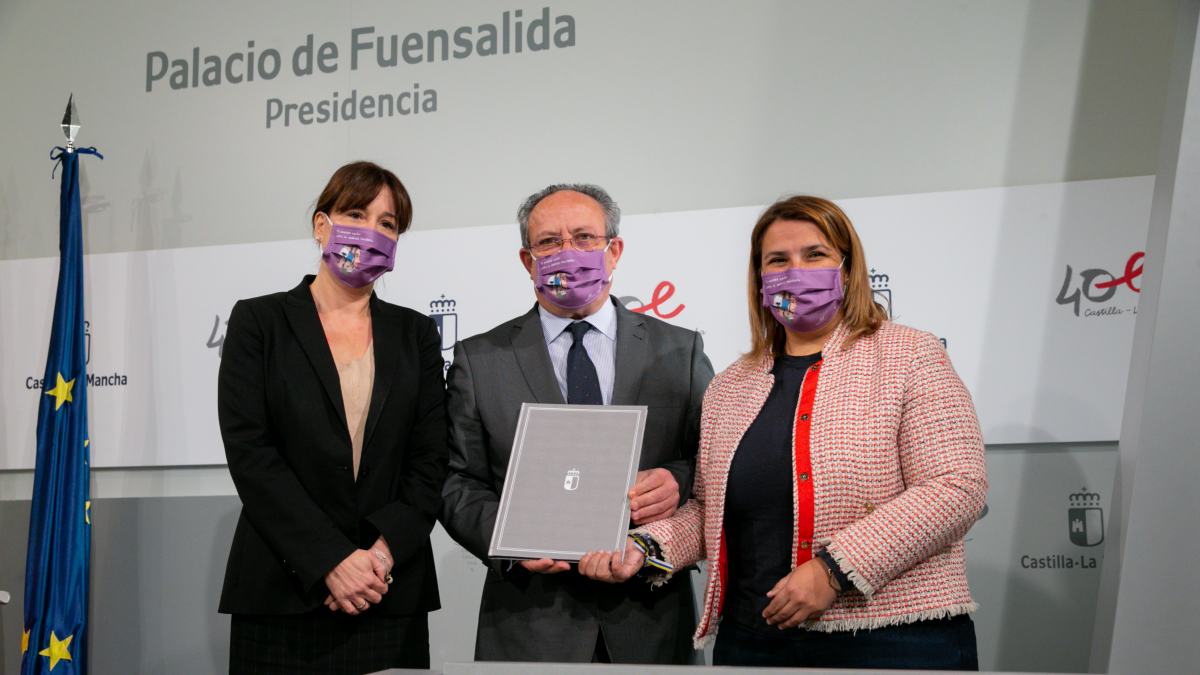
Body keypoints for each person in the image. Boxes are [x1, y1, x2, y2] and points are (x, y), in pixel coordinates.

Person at [580, 195, 987, 670]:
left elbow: (957, 487)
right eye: (778, 260)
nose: (796, 271)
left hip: (894, 640)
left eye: (814, 255)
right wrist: (646, 549)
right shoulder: (731, 386)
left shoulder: (910, 355)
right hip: (753, 642)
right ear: (760, 281)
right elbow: (711, 513)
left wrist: (835, 571)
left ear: (849, 269)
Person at [439, 183, 714, 663]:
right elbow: (454, 479)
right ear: (527, 261)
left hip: (649, 619)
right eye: (549, 242)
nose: (568, 252)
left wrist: (678, 479)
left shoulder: (680, 351)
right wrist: (508, 540)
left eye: (585, 237)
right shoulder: (480, 359)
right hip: (529, 621)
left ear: (615, 250)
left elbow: (714, 461)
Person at [217, 161, 448, 673]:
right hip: (284, 591)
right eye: (356, 213)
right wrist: (330, 560)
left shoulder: (416, 335)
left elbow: (431, 460)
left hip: (385, 592)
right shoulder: (260, 322)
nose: (371, 231)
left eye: (387, 224)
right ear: (322, 225)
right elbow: (251, 455)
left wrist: (378, 559)